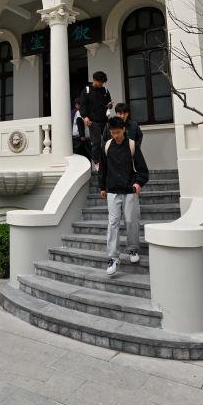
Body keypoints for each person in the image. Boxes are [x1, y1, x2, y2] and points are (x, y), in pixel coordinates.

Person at [98, 117, 149, 277]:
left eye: (118, 132)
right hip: (112, 191)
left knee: (131, 221)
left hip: (129, 190)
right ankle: (113, 257)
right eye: (112, 133)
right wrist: (102, 186)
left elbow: (143, 169)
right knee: (113, 223)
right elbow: (103, 168)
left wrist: (138, 183)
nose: (115, 136)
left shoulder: (132, 145)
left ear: (124, 130)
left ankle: (133, 249)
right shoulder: (107, 146)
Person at [78, 70, 113, 172]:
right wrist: (85, 117)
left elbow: (109, 103)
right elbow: (82, 105)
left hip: (105, 120)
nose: (102, 84)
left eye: (103, 82)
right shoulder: (87, 90)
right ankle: (97, 163)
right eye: (100, 82)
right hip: (93, 121)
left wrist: (110, 105)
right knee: (96, 143)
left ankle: (110, 161)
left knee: (109, 141)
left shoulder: (105, 90)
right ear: (94, 80)